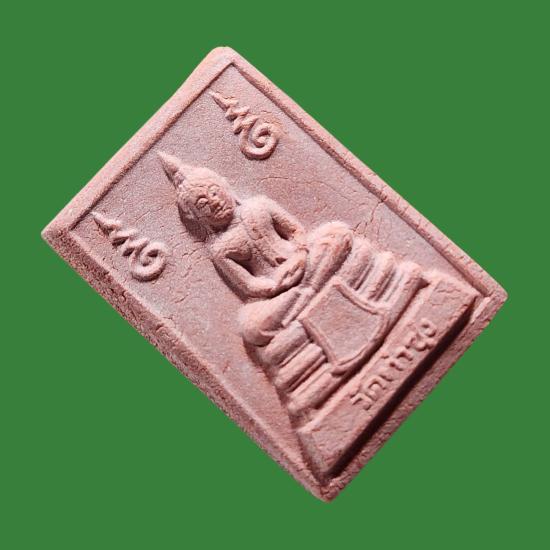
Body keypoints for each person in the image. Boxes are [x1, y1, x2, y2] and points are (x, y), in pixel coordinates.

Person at [158, 152, 355, 346]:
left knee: (338, 233)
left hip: (305, 263)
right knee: (251, 327)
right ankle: (313, 290)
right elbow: (248, 284)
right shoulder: (220, 249)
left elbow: (295, 231)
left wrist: (301, 254)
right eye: (202, 204)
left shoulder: (259, 205)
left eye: (214, 192)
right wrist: (274, 285)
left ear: (225, 185)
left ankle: (303, 302)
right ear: (196, 217)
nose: (214, 202)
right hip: (279, 290)